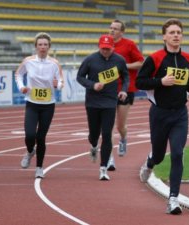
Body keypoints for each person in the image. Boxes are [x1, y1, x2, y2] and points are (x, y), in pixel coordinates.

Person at [135, 18, 189, 214]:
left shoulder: (188, 58)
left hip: (180, 114)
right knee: (160, 155)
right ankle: (150, 161)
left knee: (178, 153)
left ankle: (173, 199)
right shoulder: (154, 58)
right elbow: (140, 82)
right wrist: (161, 81)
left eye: (178, 32)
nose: (176, 35)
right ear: (164, 37)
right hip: (159, 114)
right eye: (172, 32)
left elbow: (186, 79)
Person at [76, 34, 129, 180]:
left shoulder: (119, 60)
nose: (105, 51)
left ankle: (103, 168)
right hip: (93, 102)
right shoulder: (90, 60)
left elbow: (125, 77)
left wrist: (124, 90)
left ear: (113, 47)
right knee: (94, 134)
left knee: (106, 134)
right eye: (103, 48)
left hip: (110, 102)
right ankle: (93, 146)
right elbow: (79, 77)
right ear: (99, 47)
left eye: (108, 48)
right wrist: (92, 85)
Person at [15, 32, 64, 179]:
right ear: (36, 46)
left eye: (45, 45)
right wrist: (21, 87)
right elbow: (18, 75)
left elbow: (61, 81)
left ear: (49, 47)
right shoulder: (28, 61)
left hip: (48, 105)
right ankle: (30, 151)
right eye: (40, 44)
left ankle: (39, 167)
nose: (43, 47)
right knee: (30, 135)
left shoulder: (54, 63)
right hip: (32, 103)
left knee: (41, 137)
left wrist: (58, 85)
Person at [107, 19, 144, 171]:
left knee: (120, 125)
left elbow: (141, 62)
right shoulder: (105, 43)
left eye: (115, 29)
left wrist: (124, 66)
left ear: (122, 32)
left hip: (126, 88)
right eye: (110, 28)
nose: (112, 31)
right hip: (108, 89)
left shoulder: (129, 44)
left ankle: (123, 138)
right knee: (107, 127)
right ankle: (109, 158)